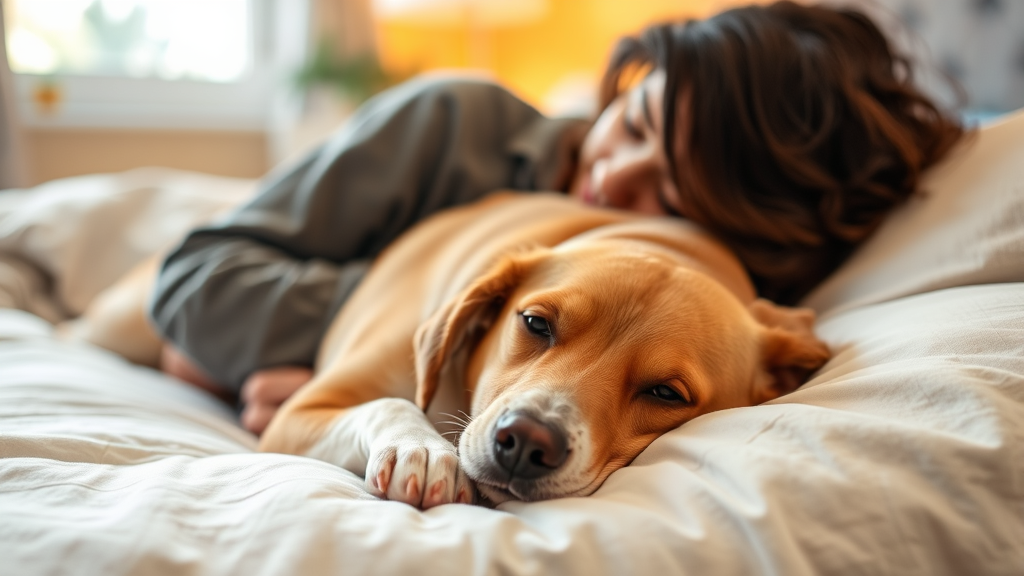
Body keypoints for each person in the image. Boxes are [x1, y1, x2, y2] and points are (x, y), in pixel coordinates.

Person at [150, 1, 965, 434]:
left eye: (672, 200)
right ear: (625, 81)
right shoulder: (453, 122)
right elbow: (192, 282)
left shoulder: (710, 307)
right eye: (636, 124)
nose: (611, 181)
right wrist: (413, 335)